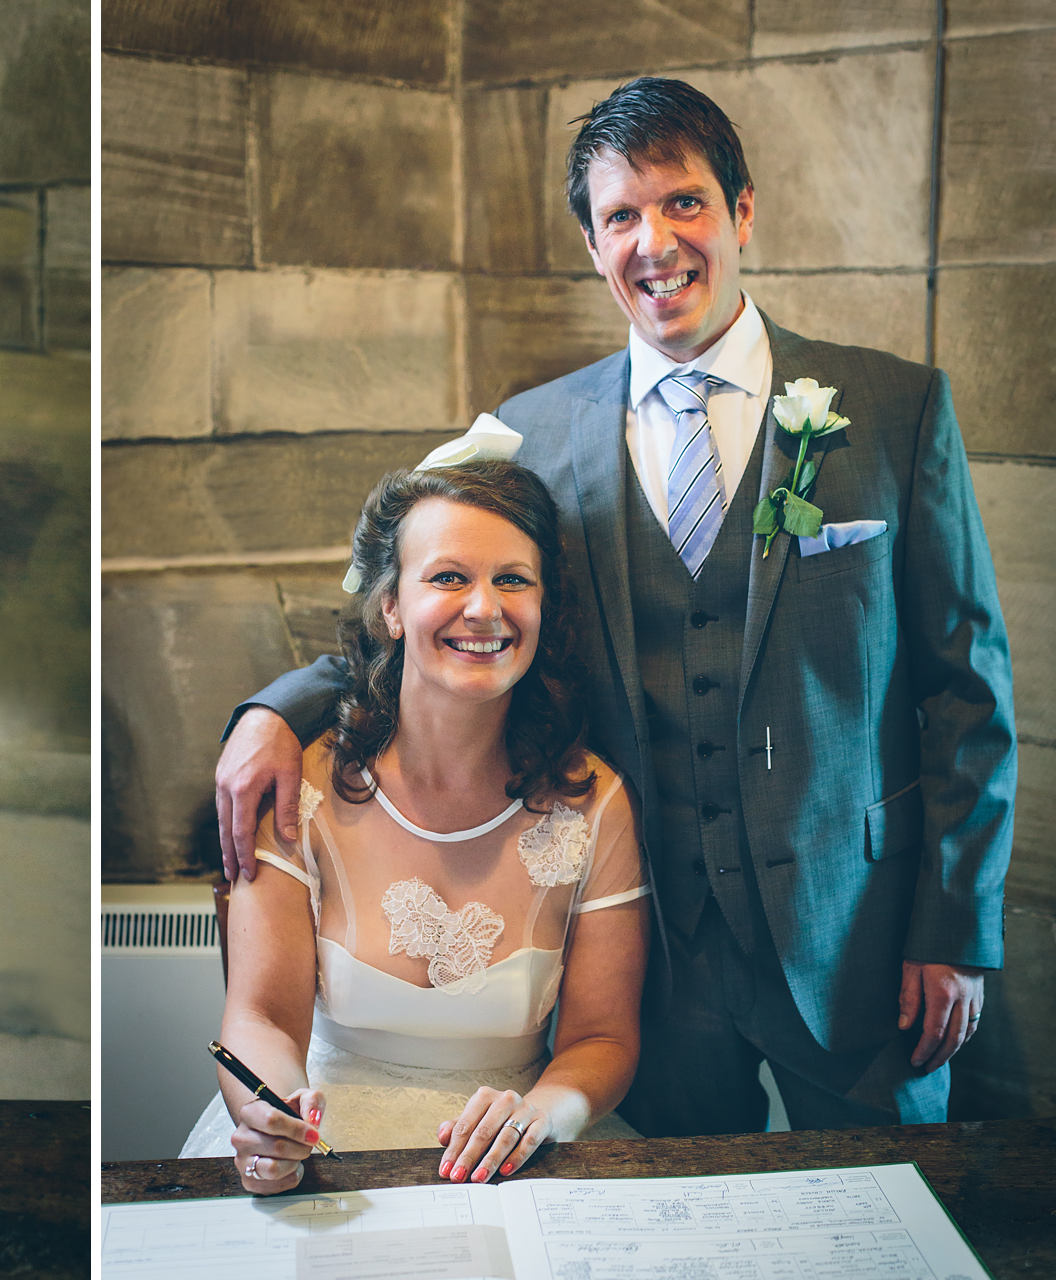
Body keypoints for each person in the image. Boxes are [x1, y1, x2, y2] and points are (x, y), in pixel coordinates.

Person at [216, 78, 1014, 1136]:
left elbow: (968, 689)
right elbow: (415, 597)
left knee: (889, 1218)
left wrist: (954, 928)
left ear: (742, 213)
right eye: (620, 215)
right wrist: (274, 711)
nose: (655, 241)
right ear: (594, 245)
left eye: (683, 202)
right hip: (657, 970)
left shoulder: (895, 409)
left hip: (856, 940)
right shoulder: (531, 434)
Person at [185, 460, 650, 1193]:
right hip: (329, 1151)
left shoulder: (593, 802)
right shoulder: (298, 784)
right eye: (448, 578)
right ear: (391, 609)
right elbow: (261, 1020)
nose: (485, 609)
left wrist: (544, 1113)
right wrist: (271, 1113)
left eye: (513, 580)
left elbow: (603, 1037)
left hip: (516, 1157)